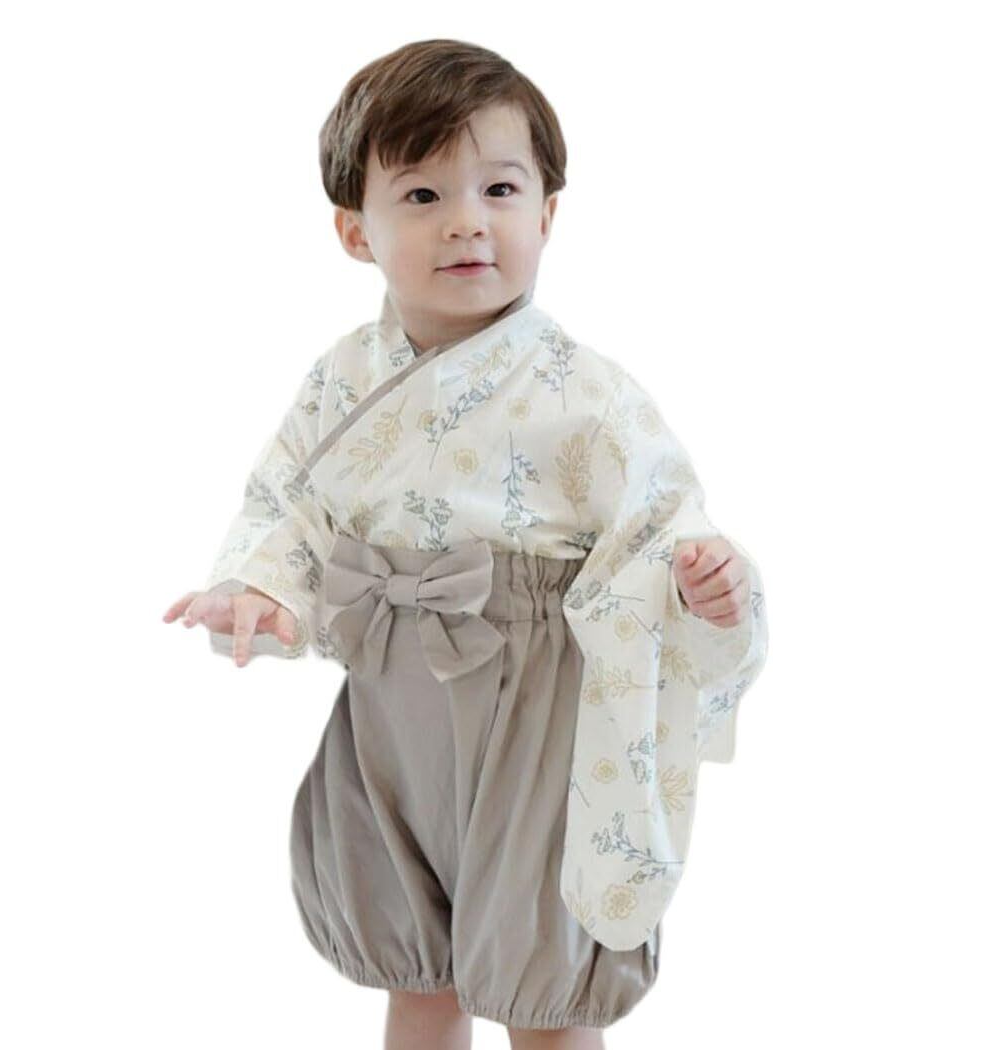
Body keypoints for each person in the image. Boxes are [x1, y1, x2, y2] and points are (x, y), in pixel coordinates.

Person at [162, 38, 767, 1050]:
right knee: (418, 962)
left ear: (547, 213)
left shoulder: (587, 394)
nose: (467, 222)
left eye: (499, 189)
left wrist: (703, 585)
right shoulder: (344, 377)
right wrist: (260, 590)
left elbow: (662, 530)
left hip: (535, 703)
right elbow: (291, 506)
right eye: (423, 195)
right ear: (355, 229)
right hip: (394, 699)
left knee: (541, 972)